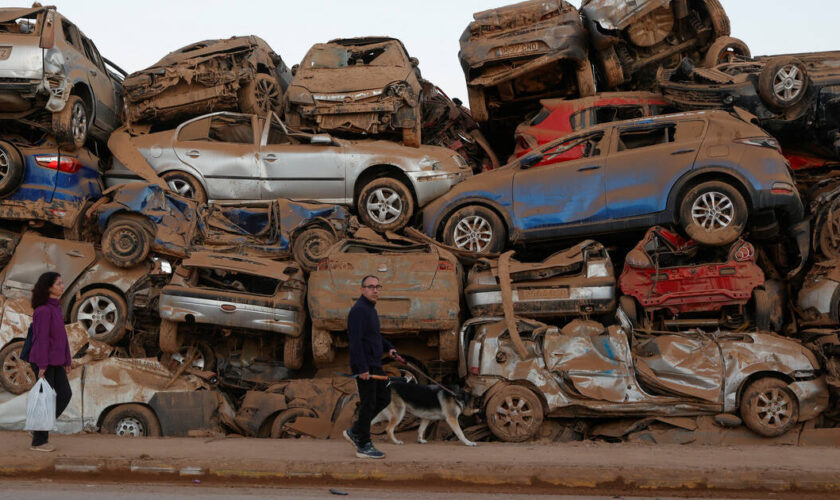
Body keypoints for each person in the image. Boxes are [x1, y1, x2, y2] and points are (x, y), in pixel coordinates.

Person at [343, 275, 398, 459]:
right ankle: (364, 444)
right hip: (365, 367)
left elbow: (374, 337)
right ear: (362, 289)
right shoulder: (359, 311)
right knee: (368, 404)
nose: (375, 290)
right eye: (371, 287)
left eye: (378, 286)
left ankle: (356, 430)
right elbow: (355, 342)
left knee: (384, 398)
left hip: (375, 364)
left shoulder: (371, 310)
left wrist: (389, 347)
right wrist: (362, 368)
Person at [27, 272, 72, 452]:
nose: (62, 286)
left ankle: (38, 428)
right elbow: (42, 340)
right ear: (48, 288)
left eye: (62, 283)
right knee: (44, 401)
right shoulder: (43, 311)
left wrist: (67, 360)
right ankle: (39, 442)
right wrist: (42, 365)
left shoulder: (56, 308)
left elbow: (62, 338)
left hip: (55, 362)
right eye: (59, 284)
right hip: (42, 361)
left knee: (65, 394)